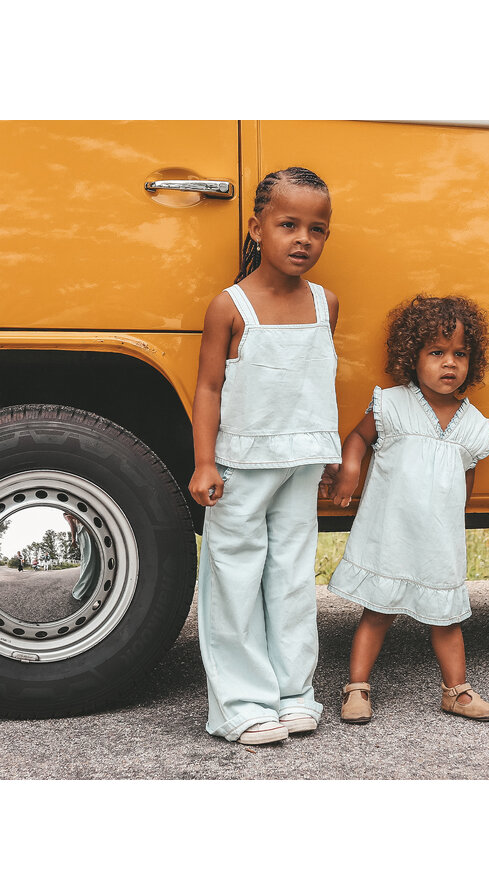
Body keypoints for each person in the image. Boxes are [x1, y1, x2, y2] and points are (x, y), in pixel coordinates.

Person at [188, 167, 341, 745]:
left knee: (292, 579)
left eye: (317, 229)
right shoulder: (230, 307)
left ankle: (294, 691)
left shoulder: (326, 304)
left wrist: (327, 451)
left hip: (301, 464)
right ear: (256, 228)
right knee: (234, 578)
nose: (303, 238)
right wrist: (205, 461)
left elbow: (318, 381)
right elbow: (207, 389)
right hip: (240, 468)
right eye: (288, 224)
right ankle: (241, 702)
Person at [327, 294, 489, 724]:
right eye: (437, 352)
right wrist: (350, 469)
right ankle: (357, 687)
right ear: (413, 356)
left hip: (438, 538)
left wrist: (452, 523)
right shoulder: (393, 405)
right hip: (392, 532)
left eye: (459, 354)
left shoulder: (474, 426)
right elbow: (358, 438)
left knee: (446, 618)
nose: (449, 364)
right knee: (378, 611)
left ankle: (456, 691)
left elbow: (466, 481)